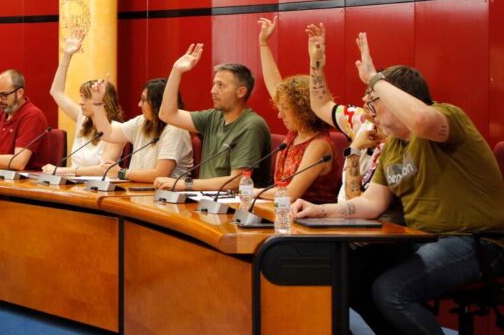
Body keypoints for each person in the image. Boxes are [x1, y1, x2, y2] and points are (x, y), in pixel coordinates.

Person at [292, 32, 504, 335]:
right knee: (353, 278)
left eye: (374, 101)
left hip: (478, 242)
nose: (368, 109)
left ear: (400, 99)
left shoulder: (445, 120)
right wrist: (319, 209)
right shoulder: (393, 148)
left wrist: (375, 78)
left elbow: (421, 121)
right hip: (427, 241)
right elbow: (372, 204)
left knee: (392, 290)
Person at [154, 43, 270, 192]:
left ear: (241, 92)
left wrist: (186, 184)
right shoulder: (213, 117)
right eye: (214, 84)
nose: (212, 91)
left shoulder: (252, 125)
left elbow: (237, 182)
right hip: (204, 200)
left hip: (233, 207)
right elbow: (167, 114)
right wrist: (176, 71)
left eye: (220, 85)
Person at [254, 16, 336, 202]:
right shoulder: (295, 133)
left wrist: (250, 192)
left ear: (302, 110)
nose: (279, 113)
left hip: (311, 224)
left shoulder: (319, 145)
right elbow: (274, 83)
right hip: (282, 215)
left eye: (284, 108)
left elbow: (290, 194)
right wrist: (263, 44)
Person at [306, 22, 388, 205]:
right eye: (367, 92)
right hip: (343, 217)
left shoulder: (398, 142)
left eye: (372, 95)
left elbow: (356, 203)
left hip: (366, 222)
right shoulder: (360, 120)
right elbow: (321, 105)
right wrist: (316, 62)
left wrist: (354, 150)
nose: (364, 98)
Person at [41, 31, 125, 177]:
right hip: (73, 186)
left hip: (97, 190)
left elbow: (104, 169)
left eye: (86, 98)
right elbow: (56, 92)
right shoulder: (83, 118)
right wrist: (67, 56)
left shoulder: (116, 130)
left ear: (103, 100)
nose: (80, 102)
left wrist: (64, 170)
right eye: (81, 97)